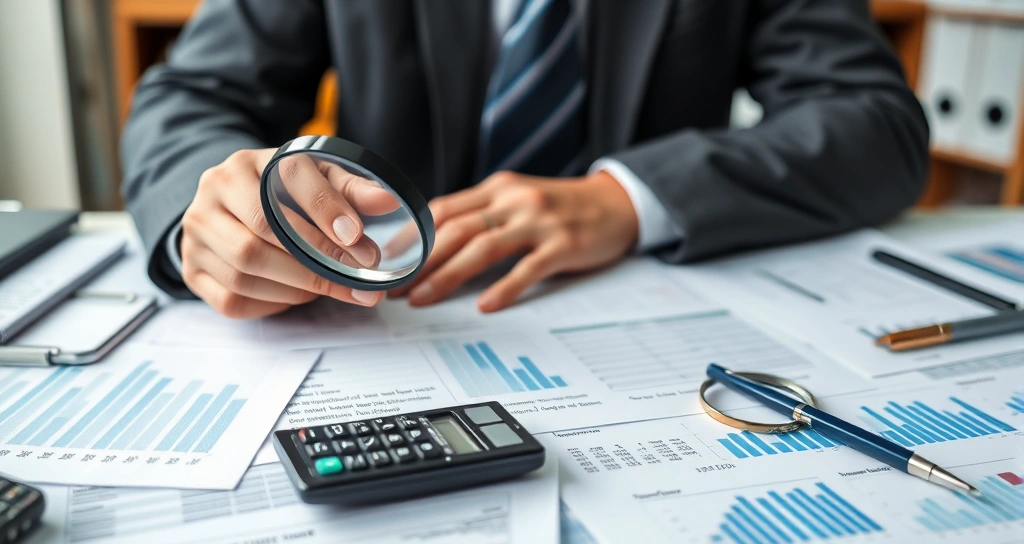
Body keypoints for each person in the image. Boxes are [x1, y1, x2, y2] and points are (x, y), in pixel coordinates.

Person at [122, 0, 929, 319]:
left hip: (652, 314)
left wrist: (627, 200)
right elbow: (188, 99)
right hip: (390, 317)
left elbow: (876, 123)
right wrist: (214, 217)